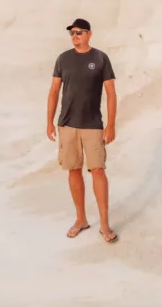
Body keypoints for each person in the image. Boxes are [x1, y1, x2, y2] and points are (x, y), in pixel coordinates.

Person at [46, 18, 118, 243]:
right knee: (73, 170)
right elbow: (54, 91)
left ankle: (104, 224)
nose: (75, 36)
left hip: (92, 125)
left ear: (89, 34)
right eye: (72, 33)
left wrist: (111, 124)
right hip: (67, 125)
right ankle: (81, 219)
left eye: (79, 32)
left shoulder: (100, 58)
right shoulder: (63, 59)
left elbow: (111, 94)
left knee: (98, 170)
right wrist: (49, 122)